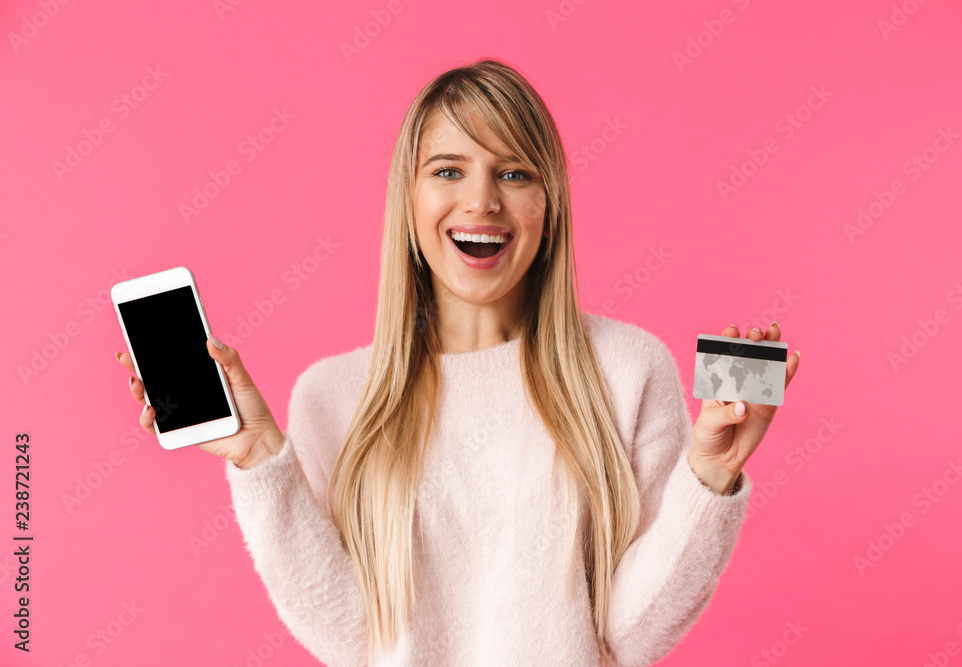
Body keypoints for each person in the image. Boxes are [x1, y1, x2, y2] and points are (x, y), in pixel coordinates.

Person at [115, 58, 801, 666]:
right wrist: (262, 457)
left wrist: (709, 473)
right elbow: (355, 641)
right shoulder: (332, 396)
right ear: (409, 200)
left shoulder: (627, 368)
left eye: (514, 172)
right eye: (449, 170)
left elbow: (630, 635)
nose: (482, 201)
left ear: (549, 203)